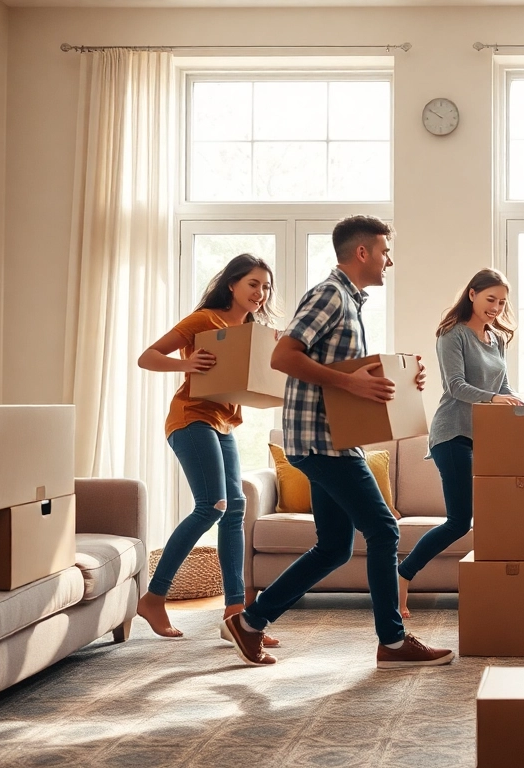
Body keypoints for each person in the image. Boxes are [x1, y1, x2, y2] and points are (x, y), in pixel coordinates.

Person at [220, 215, 455, 669]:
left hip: (332, 442)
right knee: (384, 528)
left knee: (334, 547)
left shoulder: (350, 301)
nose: (390, 259)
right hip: (320, 443)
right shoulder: (329, 294)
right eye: (386, 251)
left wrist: (402, 379)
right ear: (362, 252)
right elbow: (284, 355)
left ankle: (250, 622)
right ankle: (392, 641)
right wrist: (351, 386)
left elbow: (347, 374)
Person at [135, 253, 280, 649]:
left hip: (223, 423)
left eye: (266, 287)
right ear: (232, 284)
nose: (260, 293)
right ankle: (154, 597)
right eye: (253, 284)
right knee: (211, 506)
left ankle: (236, 614)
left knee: (234, 510)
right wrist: (188, 365)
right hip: (190, 418)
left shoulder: (253, 330)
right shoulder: (205, 320)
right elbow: (147, 357)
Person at [397, 269, 523, 618]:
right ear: (472, 294)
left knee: (495, 515)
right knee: (458, 521)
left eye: (501, 302)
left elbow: (504, 386)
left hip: (485, 437)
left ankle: (500, 587)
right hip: (452, 434)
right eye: (490, 299)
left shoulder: (495, 338)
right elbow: (455, 386)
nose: (496, 307)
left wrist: (519, 403)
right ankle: (402, 577)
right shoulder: (452, 335)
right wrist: (496, 400)